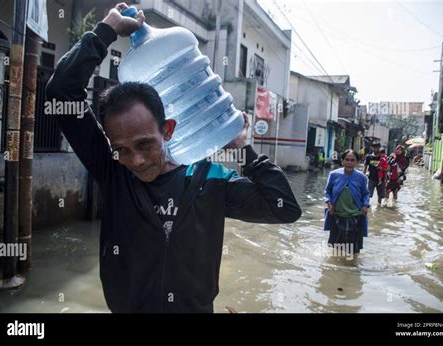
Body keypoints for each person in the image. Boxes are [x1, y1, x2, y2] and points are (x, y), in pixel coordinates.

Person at [46, 3, 301, 313]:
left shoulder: (210, 180)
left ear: (167, 130)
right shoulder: (114, 174)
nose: (136, 160)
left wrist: (241, 148)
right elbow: (61, 91)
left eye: (145, 144)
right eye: (122, 149)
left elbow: (284, 208)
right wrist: (107, 30)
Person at [324, 149, 370, 257]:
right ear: (342, 161)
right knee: (335, 248)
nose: (349, 162)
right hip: (337, 215)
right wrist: (329, 203)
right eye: (347, 160)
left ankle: (352, 267)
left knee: (354, 250)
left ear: (357, 162)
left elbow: (365, 194)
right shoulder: (334, 174)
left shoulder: (361, 177)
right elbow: (328, 191)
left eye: (352, 160)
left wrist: (365, 205)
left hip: (355, 215)